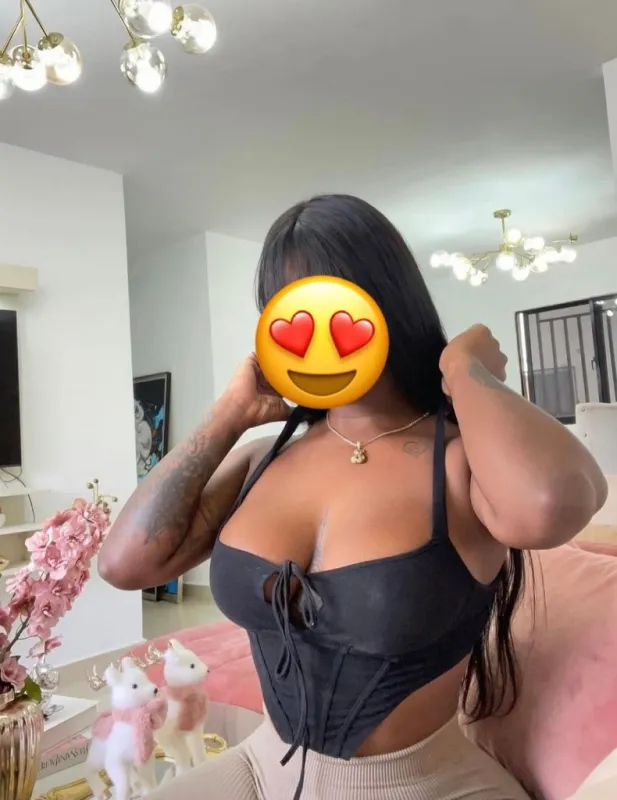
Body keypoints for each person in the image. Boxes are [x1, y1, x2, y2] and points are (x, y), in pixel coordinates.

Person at [99, 195, 607, 800]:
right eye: (288, 312)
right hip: (261, 768)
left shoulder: (457, 462)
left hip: (427, 785)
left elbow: (551, 506)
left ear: (387, 300)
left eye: (331, 304)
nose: (313, 335)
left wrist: (465, 371)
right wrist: (230, 412)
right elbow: (124, 564)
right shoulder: (263, 459)